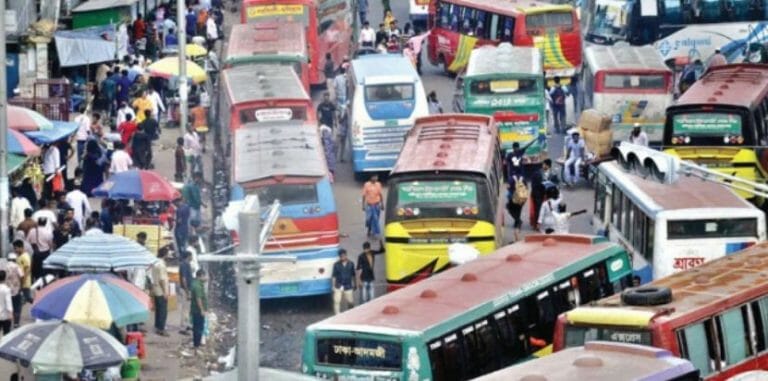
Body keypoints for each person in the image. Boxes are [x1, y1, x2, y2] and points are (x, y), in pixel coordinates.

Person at [530, 159, 559, 229]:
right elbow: (533, 185)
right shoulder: (537, 173)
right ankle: (537, 224)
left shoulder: (553, 174)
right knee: (538, 209)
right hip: (538, 194)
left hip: (549, 194)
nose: (543, 166)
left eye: (544, 164)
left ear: (547, 166)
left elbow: (557, 183)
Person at [27, 217, 54, 282]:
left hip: (35, 253)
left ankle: (35, 283)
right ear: (45, 223)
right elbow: (50, 245)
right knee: (43, 271)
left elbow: (27, 241)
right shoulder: (48, 232)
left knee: (35, 270)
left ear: (38, 222)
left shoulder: (32, 231)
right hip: (45, 254)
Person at [151, 248, 170, 336]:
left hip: (155, 288)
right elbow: (162, 279)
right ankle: (161, 328)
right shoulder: (161, 265)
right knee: (163, 310)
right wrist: (165, 291)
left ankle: (157, 326)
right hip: (161, 290)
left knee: (158, 309)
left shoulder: (155, 263)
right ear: (165, 254)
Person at [331, 249, 356, 314]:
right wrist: (333, 286)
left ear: (346, 255)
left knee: (350, 301)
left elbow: (353, 275)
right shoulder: (336, 265)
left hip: (348, 285)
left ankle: (351, 313)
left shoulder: (351, 264)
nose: (343, 257)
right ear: (339, 257)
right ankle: (337, 315)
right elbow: (334, 276)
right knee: (337, 301)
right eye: (341, 256)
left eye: (344, 256)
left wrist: (355, 284)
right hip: (338, 285)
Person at [190, 269, 208, 352]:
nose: (206, 278)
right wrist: (202, 310)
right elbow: (199, 299)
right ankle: (196, 345)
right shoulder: (197, 286)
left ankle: (196, 343)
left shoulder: (197, 284)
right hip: (197, 310)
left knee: (197, 327)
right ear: (201, 276)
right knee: (199, 327)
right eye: (205, 276)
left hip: (195, 309)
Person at [3, 253, 22, 328]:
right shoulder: (17, 266)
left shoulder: (4, 266)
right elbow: (22, 275)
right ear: (15, 260)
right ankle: (16, 323)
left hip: (6, 290)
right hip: (16, 290)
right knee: (17, 307)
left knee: (7, 307)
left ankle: (7, 323)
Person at [14, 240, 32, 307]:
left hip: (25, 282)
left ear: (21, 247)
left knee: (27, 298)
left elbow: (27, 270)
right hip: (21, 281)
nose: (15, 250)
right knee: (26, 298)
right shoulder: (20, 256)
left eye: (16, 248)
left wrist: (23, 281)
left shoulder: (25, 256)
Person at [0, 271, 12, 336]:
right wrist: (10, 314)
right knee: (6, 334)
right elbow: (8, 302)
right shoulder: (6, 289)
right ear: (5, 278)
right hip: (5, 316)